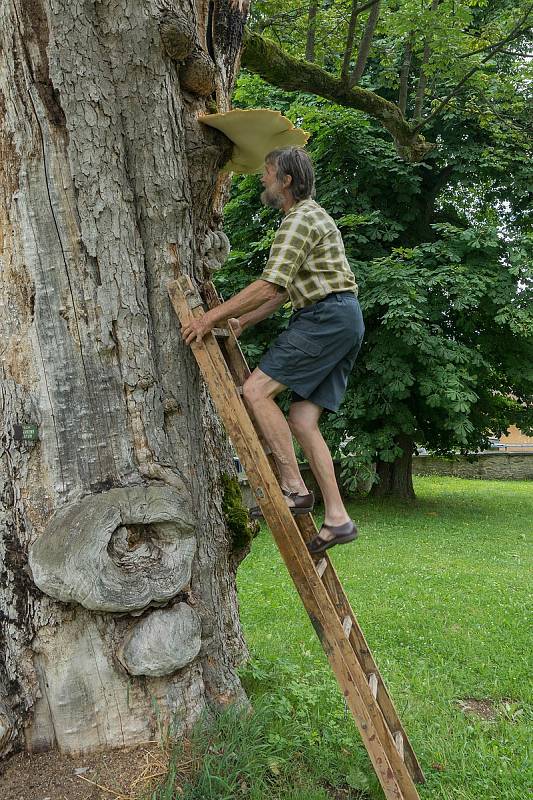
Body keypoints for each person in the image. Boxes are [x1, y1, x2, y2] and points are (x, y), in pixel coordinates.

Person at [181, 147, 364, 554]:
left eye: (267, 173)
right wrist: (244, 322)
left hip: (325, 318)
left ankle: (295, 488)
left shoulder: (299, 220)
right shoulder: (309, 217)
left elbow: (268, 284)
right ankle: (337, 517)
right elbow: (282, 292)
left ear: (286, 180)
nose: (262, 179)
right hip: (342, 317)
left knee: (255, 391)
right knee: (302, 418)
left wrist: (209, 318)